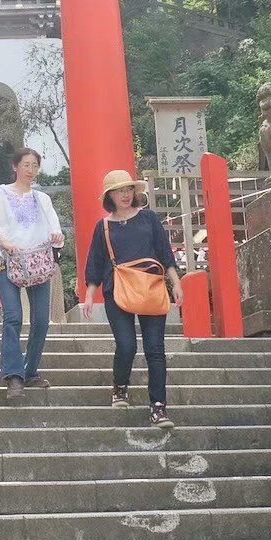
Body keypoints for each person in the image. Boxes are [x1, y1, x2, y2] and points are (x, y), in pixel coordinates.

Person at [82, 170, 182, 428]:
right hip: (118, 289)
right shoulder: (103, 226)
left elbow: (164, 252)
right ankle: (119, 386)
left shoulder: (148, 218)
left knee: (155, 350)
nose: (125, 195)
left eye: (128, 189)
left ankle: (158, 408)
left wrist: (177, 283)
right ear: (109, 196)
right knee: (126, 345)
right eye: (119, 191)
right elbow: (96, 261)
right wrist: (90, 294)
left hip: (151, 288)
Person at [0, 147, 64, 400]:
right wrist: (4, 241)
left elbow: (55, 233)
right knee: (13, 317)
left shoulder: (42, 199)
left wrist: (57, 237)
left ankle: (31, 371)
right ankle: (14, 376)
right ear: (15, 167)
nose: (31, 170)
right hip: (8, 261)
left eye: (35, 165)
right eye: (26, 164)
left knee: (41, 321)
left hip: (37, 262)